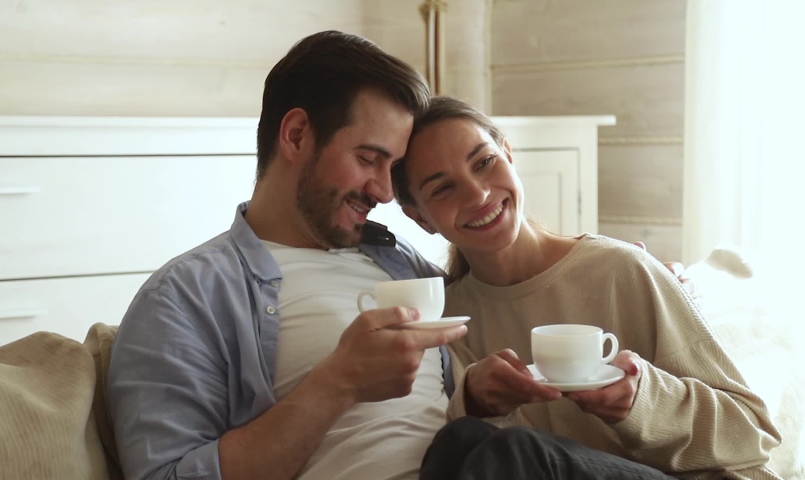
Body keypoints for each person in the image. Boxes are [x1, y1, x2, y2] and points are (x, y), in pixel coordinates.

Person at [108, 31, 694, 480]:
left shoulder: (405, 267)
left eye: (393, 168)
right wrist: (336, 383)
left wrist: (616, 268)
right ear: (296, 136)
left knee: (484, 449)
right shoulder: (185, 297)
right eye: (369, 159)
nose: (385, 192)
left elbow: (506, 285)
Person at [391, 96, 783, 480]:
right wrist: (474, 401)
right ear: (419, 218)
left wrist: (641, 401)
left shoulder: (623, 270)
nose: (477, 194)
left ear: (508, 155)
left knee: (514, 449)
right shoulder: (449, 321)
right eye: (443, 188)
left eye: (484, 162)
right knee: (458, 439)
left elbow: (752, 433)